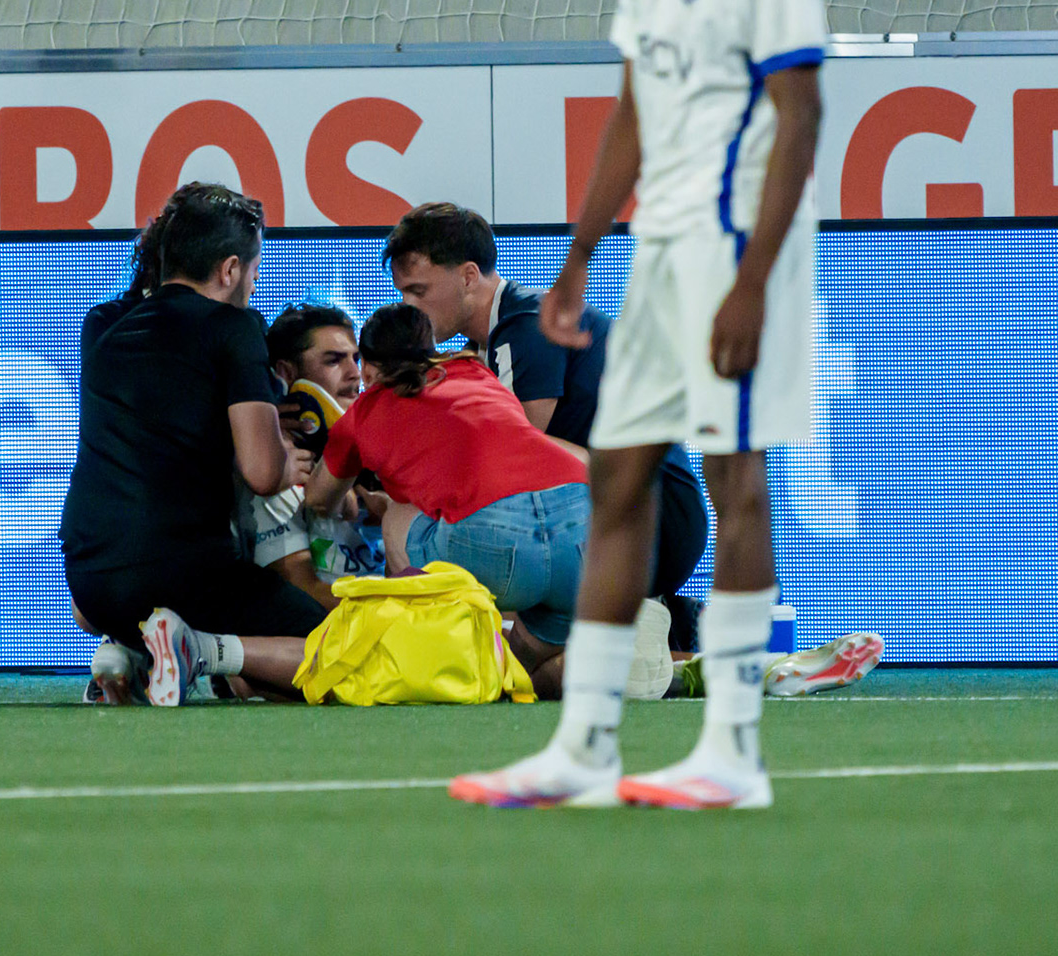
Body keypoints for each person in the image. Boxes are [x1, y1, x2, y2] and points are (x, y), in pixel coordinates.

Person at [452, 0, 833, 809]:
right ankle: (584, 744)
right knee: (615, 477)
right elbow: (632, 104)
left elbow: (800, 116)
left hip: (740, 246)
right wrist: (575, 255)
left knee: (733, 475)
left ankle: (735, 751)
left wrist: (755, 279)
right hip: (657, 245)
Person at [383, 202, 707, 653]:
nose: (408, 307)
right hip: (626, 520)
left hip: (653, 523)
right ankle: (657, 647)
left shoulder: (525, 325)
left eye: (418, 291)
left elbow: (512, 459)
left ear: (468, 276)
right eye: (403, 293)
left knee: (405, 513)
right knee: (527, 673)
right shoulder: (492, 343)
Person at [60, 182, 325, 706]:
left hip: (88, 583)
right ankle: (198, 651)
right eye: (253, 272)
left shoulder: (102, 325)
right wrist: (282, 447)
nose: (253, 284)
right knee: (338, 651)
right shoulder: (234, 327)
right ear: (229, 270)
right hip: (180, 574)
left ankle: (133, 654)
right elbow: (263, 473)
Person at [305, 303, 590, 685]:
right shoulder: (476, 371)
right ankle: (586, 670)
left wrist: (356, 491)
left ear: (369, 369)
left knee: (398, 514)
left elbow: (318, 500)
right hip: (585, 533)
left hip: (497, 541)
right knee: (517, 670)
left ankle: (413, 655)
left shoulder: (363, 411)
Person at [239, 303, 385, 606]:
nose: (355, 374)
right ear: (286, 373)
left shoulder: (384, 451)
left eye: (356, 359)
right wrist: (402, 608)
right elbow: (304, 590)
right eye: (334, 361)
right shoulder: (275, 472)